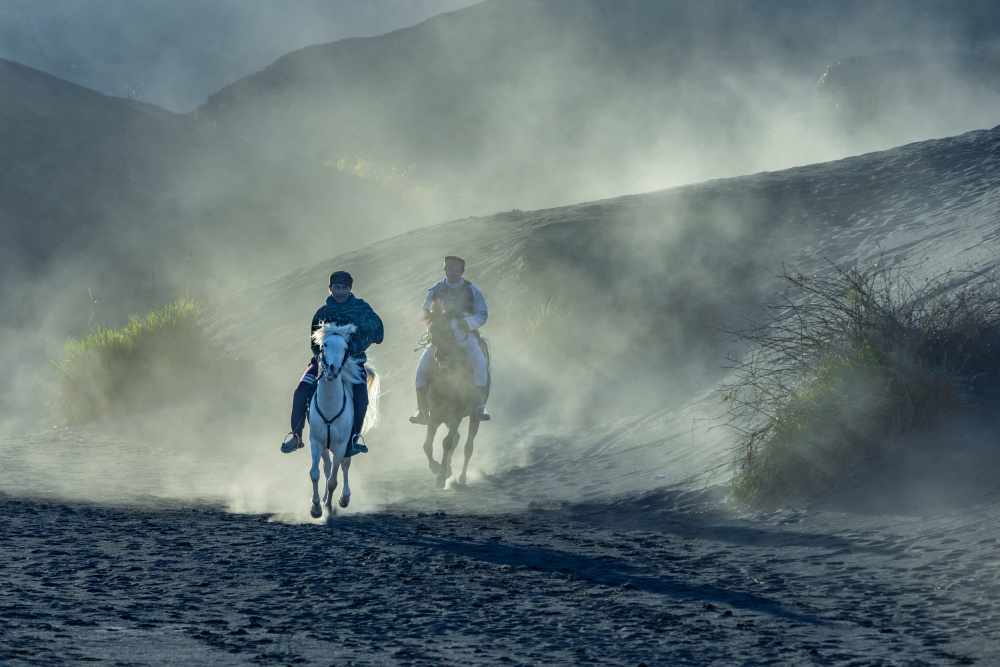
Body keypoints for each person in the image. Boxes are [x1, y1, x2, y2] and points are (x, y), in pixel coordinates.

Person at [281, 271, 384, 455]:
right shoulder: (322, 312)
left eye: (344, 287)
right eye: (337, 287)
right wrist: (325, 358)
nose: (341, 291)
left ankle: (354, 437)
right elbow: (314, 344)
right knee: (301, 390)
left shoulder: (361, 309)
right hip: (324, 363)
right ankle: (296, 436)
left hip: (353, 363)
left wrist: (355, 345)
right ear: (330, 288)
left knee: (361, 395)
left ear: (350, 288)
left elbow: (378, 334)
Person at [410, 255, 490, 424]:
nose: (452, 272)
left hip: (465, 337)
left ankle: (479, 408)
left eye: (456, 269)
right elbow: (426, 313)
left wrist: (465, 322)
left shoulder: (472, 290)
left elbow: (482, 314)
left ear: (462, 271)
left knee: (481, 367)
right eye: (449, 268)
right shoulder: (435, 290)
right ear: (444, 269)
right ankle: (421, 411)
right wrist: (437, 330)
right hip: (441, 339)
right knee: (422, 369)